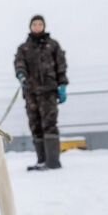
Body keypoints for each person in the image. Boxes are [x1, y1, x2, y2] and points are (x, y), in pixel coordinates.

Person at [14, 15, 68, 170]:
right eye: (34, 24)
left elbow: (61, 66)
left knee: (49, 124)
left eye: (40, 24)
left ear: (44, 26)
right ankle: (42, 161)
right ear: (30, 27)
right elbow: (19, 64)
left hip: (49, 92)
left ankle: (53, 162)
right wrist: (21, 75)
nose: (37, 26)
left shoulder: (53, 45)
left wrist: (62, 85)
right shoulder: (23, 48)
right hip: (31, 93)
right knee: (35, 125)